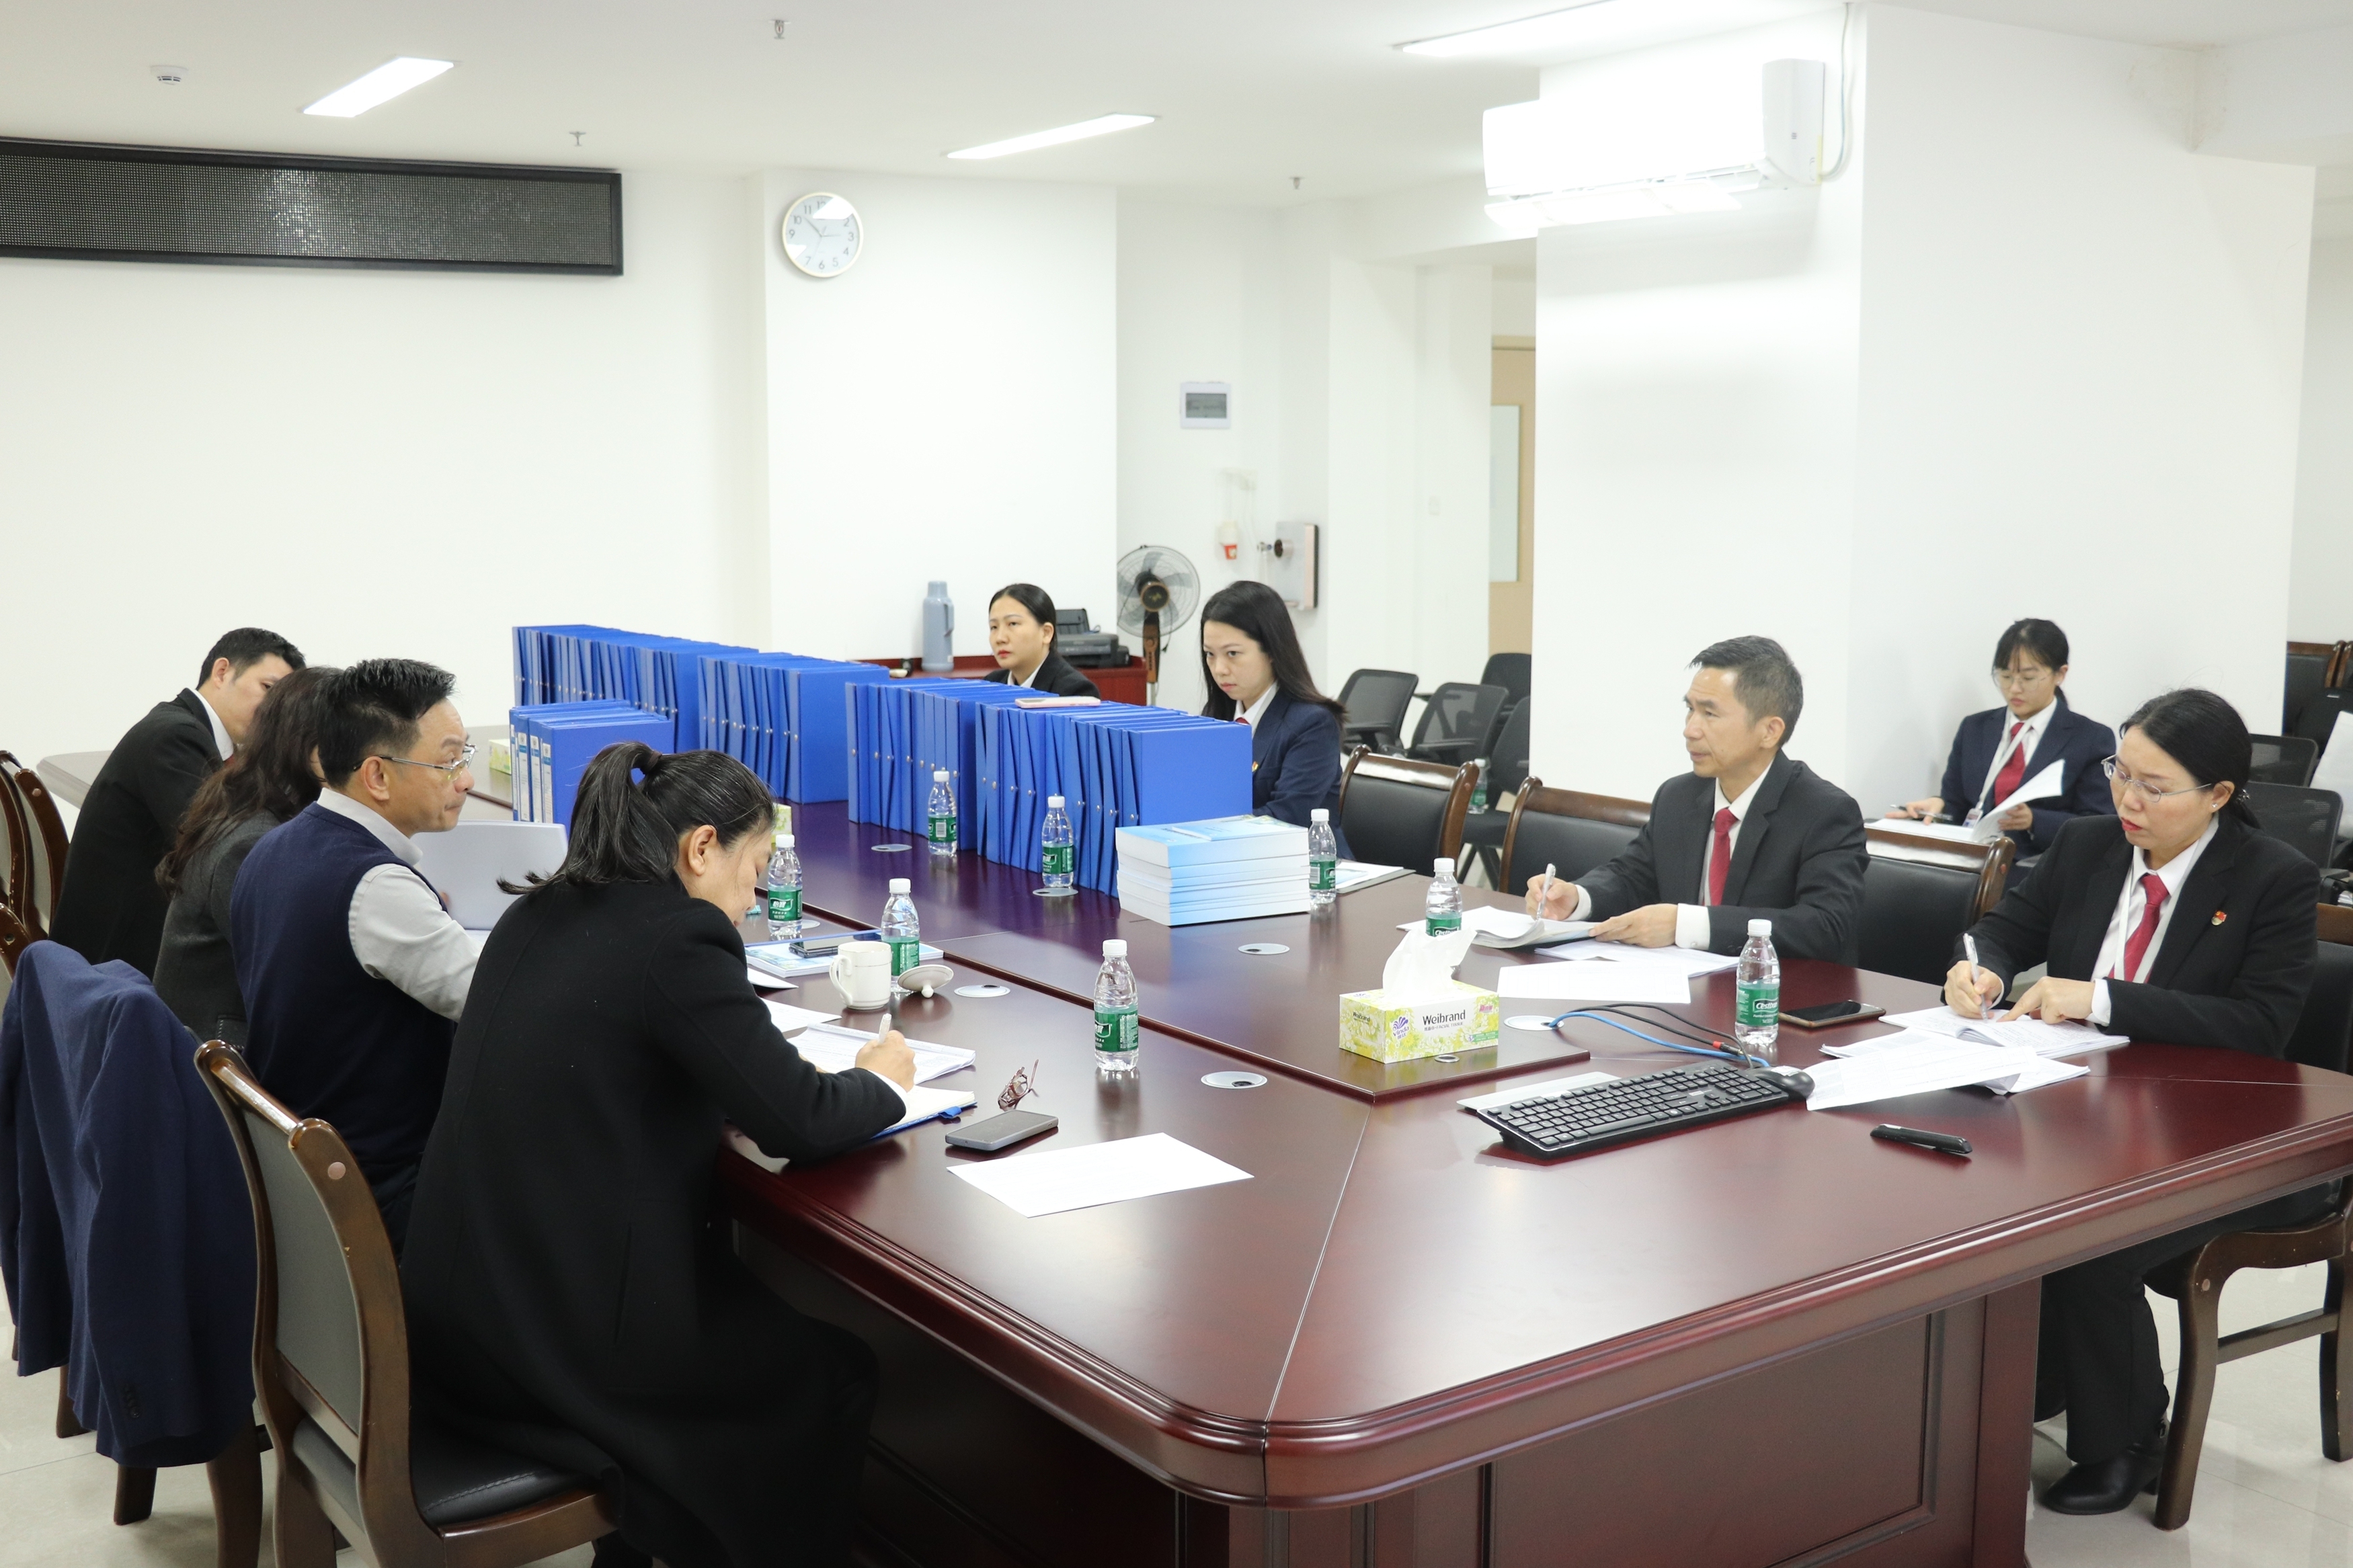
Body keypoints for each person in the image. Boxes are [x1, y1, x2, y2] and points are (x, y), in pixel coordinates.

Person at [401, 743, 916, 1568]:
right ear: (701, 847)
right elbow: (800, 1119)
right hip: (559, 1348)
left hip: (463, 1319)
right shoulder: (677, 937)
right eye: (754, 871)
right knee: (833, 1372)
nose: (751, 900)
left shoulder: (543, 905)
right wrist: (882, 1079)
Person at [1946, 688, 2324, 1515]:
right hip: (2088, 1107)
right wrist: (1979, 966)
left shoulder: (2271, 879)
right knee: (1971, 1185)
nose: (2126, 798)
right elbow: (2004, 929)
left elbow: (2259, 1026)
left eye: (2153, 786)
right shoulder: (2086, 843)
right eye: (2120, 772)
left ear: (2217, 794)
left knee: (2091, 1242)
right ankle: (2035, 1375)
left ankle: (2123, 1439)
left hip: (2230, 1137)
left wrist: (2101, 997)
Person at [231, 658, 477, 1253]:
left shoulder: (273, 848)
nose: (466, 780)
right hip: (388, 1193)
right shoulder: (377, 888)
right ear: (378, 776)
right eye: (449, 762)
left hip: (311, 1177)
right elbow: (500, 1001)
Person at [1525, 636, 1868, 962]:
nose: (1690, 729)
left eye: (1710, 714)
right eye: (1690, 709)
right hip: (1684, 986)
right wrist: (1577, 898)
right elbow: (1633, 877)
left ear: (1769, 731)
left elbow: (1825, 926)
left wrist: (1685, 925)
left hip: (1775, 994)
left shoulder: (1824, 812)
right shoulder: (1678, 796)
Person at [48, 628, 305, 975]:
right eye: (268, 689)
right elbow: (217, 849)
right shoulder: (175, 737)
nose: (273, 712)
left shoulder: (186, 729)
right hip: (114, 965)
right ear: (222, 671)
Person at [151, 665, 335, 1045]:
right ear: (313, 749)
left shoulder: (248, 802)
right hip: (216, 1053)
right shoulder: (255, 843)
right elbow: (295, 973)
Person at [1889, 618, 2115, 857]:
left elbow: (2097, 826)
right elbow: (1957, 804)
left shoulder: (2090, 739)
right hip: (1971, 861)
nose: (2015, 688)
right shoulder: (1974, 729)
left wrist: (2034, 820)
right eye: (2005, 677)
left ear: (2060, 674)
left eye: (2028, 678)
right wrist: (1938, 807)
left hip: (2037, 866)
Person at [1199, 580, 1349, 839]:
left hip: (1304, 859)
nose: (1219, 669)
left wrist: (1200, 823)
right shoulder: (1217, 715)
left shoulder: (1313, 724)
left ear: (1271, 650)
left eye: (1232, 653)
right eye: (1210, 654)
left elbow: (1286, 818)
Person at [980, 582, 1100, 698]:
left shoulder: (1075, 692)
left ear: (1046, 633)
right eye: (994, 627)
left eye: (1013, 624)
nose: (1000, 638)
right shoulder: (991, 685)